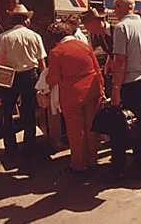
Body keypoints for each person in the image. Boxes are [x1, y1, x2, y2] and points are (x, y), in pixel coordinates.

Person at [0, 4, 47, 158]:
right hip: (30, 76)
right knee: (29, 111)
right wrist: (44, 81)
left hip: (10, 76)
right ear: (26, 20)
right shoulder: (35, 36)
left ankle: (11, 148)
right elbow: (41, 62)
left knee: (7, 111)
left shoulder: (5, 36)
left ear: (13, 19)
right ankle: (29, 145)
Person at [46, 22, 104, 172]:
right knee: (92, 126)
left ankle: (79, 164)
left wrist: (45, 81)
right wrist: (102, 90)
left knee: (75, 130)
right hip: (92, 90)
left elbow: (54, 78)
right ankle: (93, 160)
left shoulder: (56, 52)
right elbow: (97, 69)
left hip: (71, 94)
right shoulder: (84, 46)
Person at [110, 0, 141, 180]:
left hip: (129, 83)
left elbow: (120, 61)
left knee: (120, 125)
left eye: (116, 7)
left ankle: (118, 168)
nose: (114, 11)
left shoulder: (121, 28)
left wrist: (116, 90)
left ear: (124, 8)